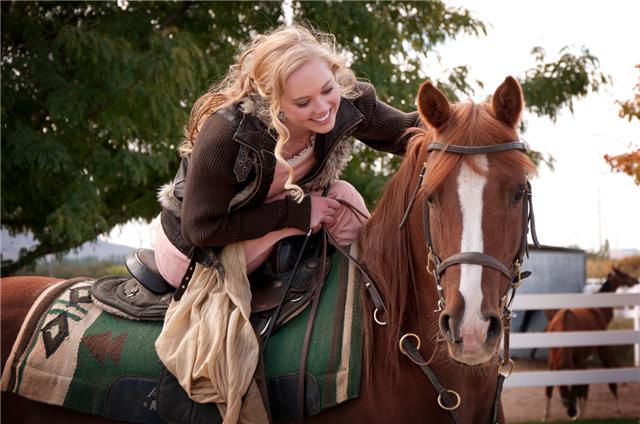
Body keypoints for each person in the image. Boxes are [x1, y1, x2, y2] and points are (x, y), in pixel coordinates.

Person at [154, 24, 421, 287]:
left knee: (344, 196)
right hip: (199, 253)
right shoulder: (228, 133)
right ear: (274, 103)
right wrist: (296, 213)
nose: (322, 108)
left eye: (328, 89)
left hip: (267, 220)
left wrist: (460, 121)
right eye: (303, 103)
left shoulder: (349, 102)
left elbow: (417, 132)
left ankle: (377, 295)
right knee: (337, 199)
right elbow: (200, 229)